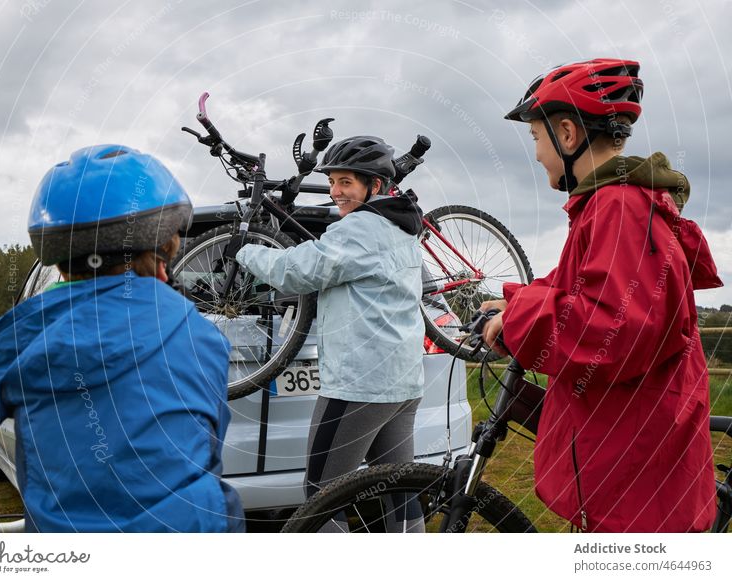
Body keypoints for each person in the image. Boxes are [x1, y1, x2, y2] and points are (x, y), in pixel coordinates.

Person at [0, 144, 244, 532]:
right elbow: (206, 446)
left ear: (60, 257)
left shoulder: (25, 339)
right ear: (161, 250)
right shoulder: (201, 334)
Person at [483, 58, 723, 532]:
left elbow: (612, 330)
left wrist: (517, 320)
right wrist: (516, 299)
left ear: (568, 135)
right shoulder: (613, 202)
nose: (535, 155)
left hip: (636, 485)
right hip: (634, 466)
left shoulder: (619, 207)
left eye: (536, 138)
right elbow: (577, 282)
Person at [233, 136, 426, 531]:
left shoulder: (360, 229)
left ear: (374, 186)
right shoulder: (403, 227)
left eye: (346, 183)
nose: (336, 192)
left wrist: (244, 250)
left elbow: (296, 270)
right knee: (399, 493)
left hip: (358, 386)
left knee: (322, 495)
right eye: (333, 181)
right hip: (402, 383)